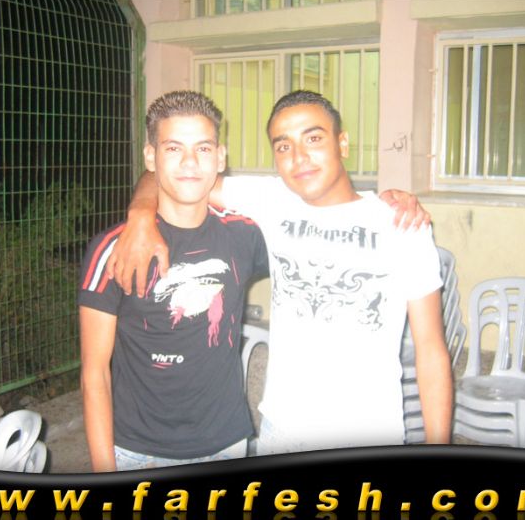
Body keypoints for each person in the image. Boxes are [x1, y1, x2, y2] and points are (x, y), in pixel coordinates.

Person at [107, 90, 452, 453]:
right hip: (282, 432)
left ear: (342, 143)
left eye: (313, 139)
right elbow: (173, 175)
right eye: (283, 146)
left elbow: (431, 350)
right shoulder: (272, 201)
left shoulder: (401, 224)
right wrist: (140, 213)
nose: (299, 157)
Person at [78, 90, 269, 471]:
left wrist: (386, 205)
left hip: (226, 442)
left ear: (220, 157)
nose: (189, 162)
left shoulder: (247, 235)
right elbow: (94, 374)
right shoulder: (114, 249)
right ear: (150, 157)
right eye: (173, 148)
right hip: (138, 452)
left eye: (203, 148)